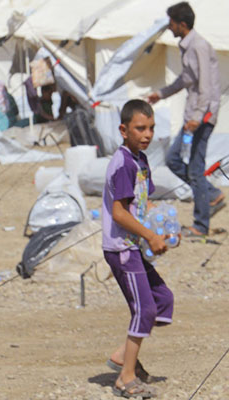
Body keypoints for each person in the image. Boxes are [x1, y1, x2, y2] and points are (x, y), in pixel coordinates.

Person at [102, 99, 174, 399]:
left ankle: (123, 355)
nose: (147, 134)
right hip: (122, 248)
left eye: (151, 128)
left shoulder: (141, 160)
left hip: (136, 246)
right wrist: (149, 236)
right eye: (140, 128)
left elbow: (143, 203)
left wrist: (165, 228)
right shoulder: (123, 164)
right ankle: (126, 378)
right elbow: (119, 213)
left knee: (162, 301)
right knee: (144, 309)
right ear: (124, 130)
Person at [147, 2, 224, 237]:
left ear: (182, 24)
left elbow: (206, 86)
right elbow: (185, 79)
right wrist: (161, 94)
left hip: (201, 117)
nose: (169, 28)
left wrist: (198, 117)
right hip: (194, 115)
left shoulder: (199, 46)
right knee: (174, 159)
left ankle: (201, 225)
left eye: (172, 23)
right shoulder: (187, 47)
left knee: (195, 168)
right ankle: (212, 195)